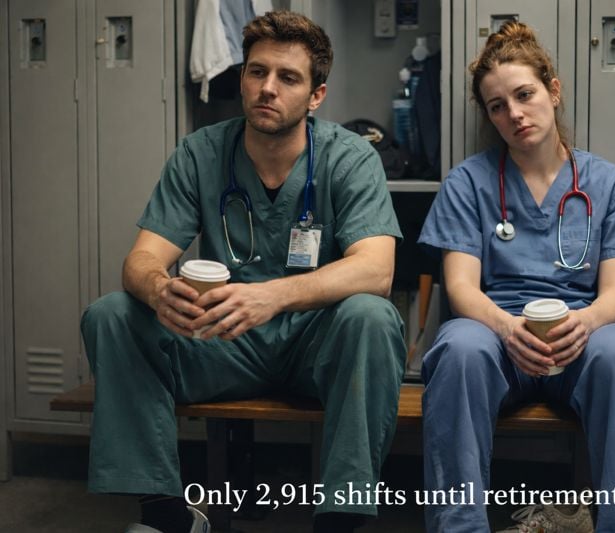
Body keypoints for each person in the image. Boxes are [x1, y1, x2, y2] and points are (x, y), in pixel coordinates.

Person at [80, 11, 406, 533]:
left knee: (372, 316)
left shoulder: (348, 158)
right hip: (221, 340)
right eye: (256, 72)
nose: (267, 88)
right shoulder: (202, 153)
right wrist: (161, 290)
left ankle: (338, 521)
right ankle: (167, 515)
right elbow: (140, 260)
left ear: (316, 96)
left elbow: (376, 271)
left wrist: (273, 296)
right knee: (114, 313)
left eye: (288, 77)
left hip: (313, 346)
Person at [417, 21, 615, 533]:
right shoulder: (469, 183)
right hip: (496, 340)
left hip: (580, 341)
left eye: (524, 95)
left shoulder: (610, 185)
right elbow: (461, 287)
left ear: (554, 90)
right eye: (497, 106)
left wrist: (587, 321)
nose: (514, 114)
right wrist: (507, 329)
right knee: (458, 348)